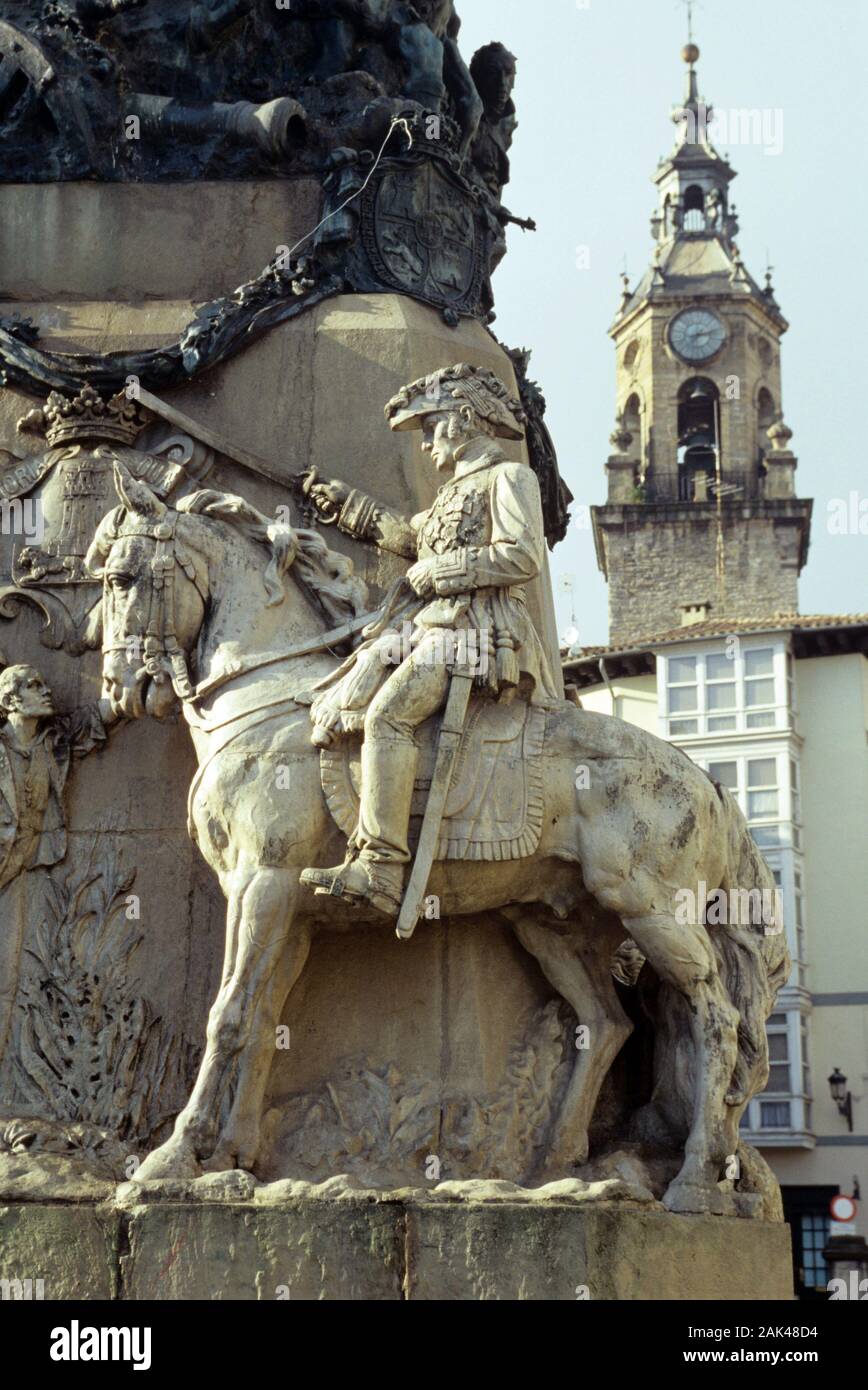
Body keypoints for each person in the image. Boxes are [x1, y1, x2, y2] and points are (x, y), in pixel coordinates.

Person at [300, 363, 558, 918]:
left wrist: (443, 573)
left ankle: (381, 867)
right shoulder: (454, 490)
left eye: (430, 426)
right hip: (433, 627)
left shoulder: (509, 478)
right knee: (352, 676)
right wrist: (345, 504)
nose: (425, 443)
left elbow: (522, 556)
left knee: (388, 716)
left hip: (478, 633)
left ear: (465, 418)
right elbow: (411, 537)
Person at [0, 665, 121, 1070]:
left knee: (9, 977)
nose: (46, 688)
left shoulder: (53, 742)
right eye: (34, 684)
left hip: (22, 867)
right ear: (10, 700)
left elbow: (96, 719)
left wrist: (131, 686)